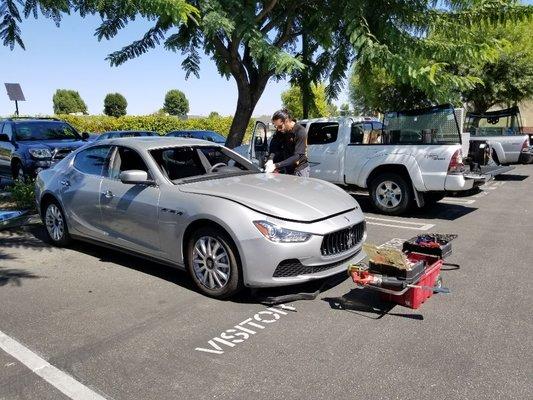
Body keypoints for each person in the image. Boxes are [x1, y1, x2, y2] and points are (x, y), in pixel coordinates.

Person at [265, 109, 309, 177]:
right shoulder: (281, 131)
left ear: (287, 121)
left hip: (300, 169)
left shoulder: (300, 132)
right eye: (276, 126)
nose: (278, 129)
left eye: (280, 126)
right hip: (287, 167)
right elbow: (274, 146)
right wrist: (270, 159)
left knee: (299, 188)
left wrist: (276, 165)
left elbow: (297, 156)